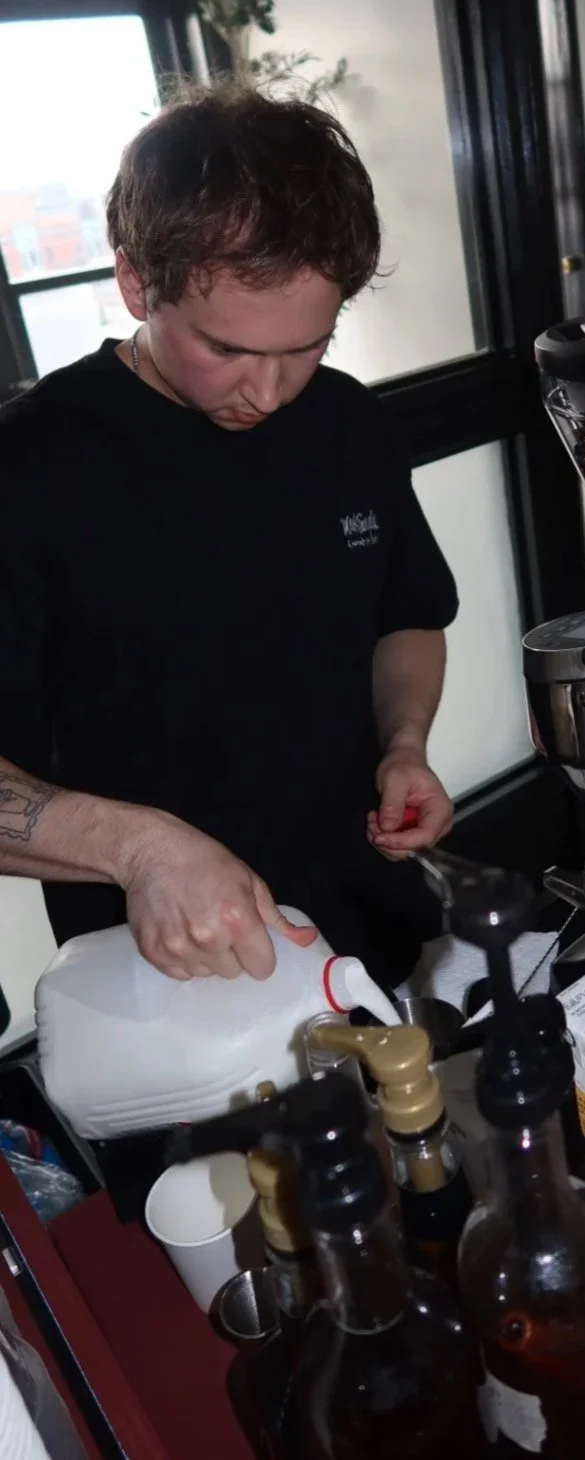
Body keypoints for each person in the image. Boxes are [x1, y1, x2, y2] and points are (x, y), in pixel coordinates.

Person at [0, 82, 458, 989]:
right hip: (174, 982)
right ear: (136, 283)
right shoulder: (30, 468)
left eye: (307, 346)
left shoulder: (348, 423)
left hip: (373, 932)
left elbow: (405, 616)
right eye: (228, 350)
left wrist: (404, 743)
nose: (270, 392)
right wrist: (136, 847)